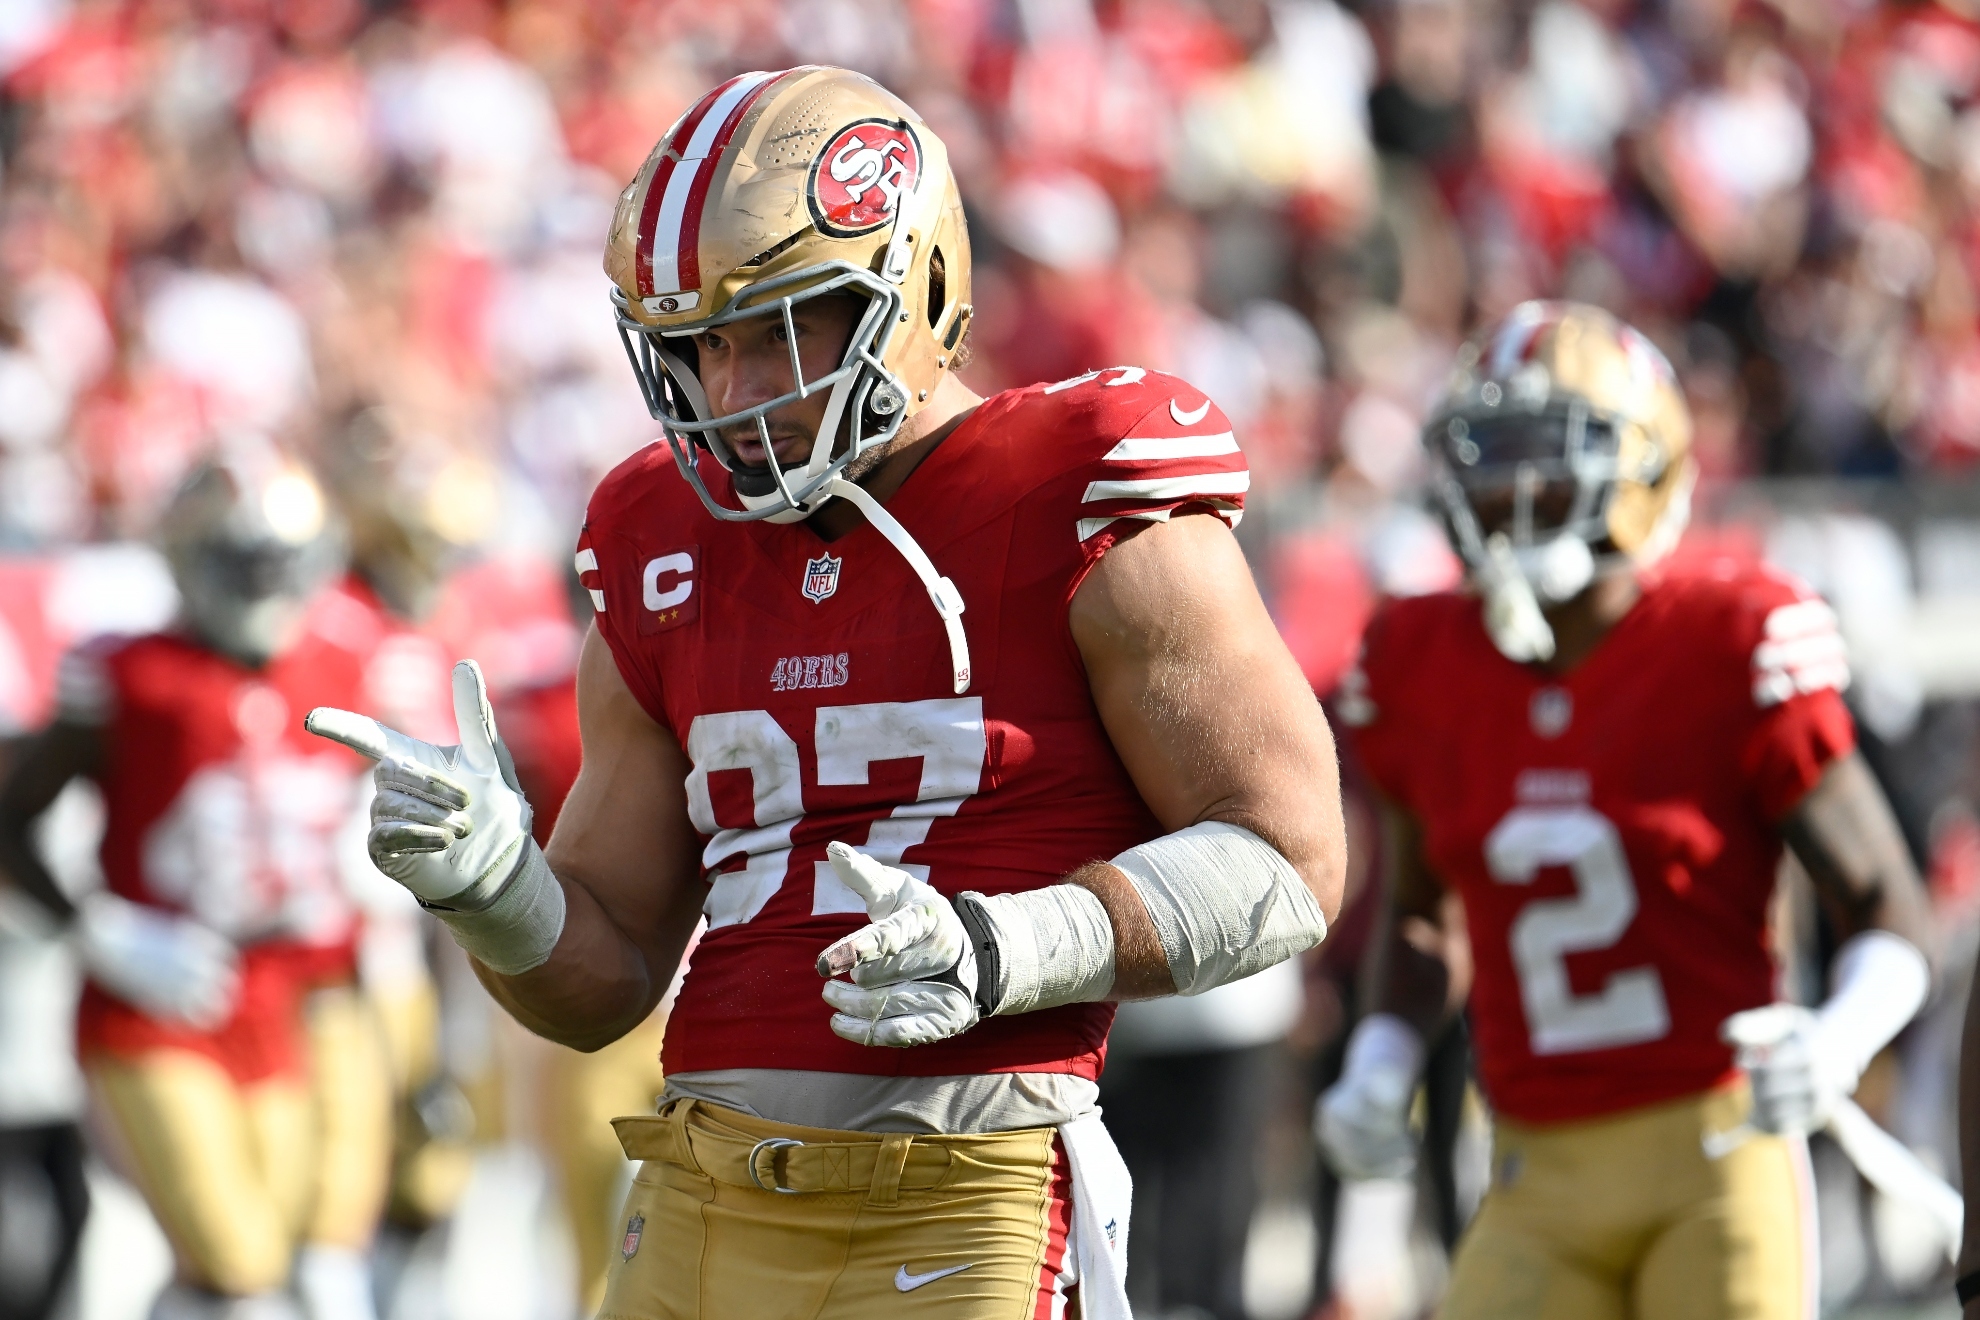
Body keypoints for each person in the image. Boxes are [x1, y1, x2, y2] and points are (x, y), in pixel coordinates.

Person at [305, 64, 1346, 1320]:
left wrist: (1007, 945)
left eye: (782, 329)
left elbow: (1290, 856)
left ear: (919, 283)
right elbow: (602, 979)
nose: (735, 396)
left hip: (964, 1191)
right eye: (697, 346)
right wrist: (495, 890)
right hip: (692, 1188)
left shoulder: (1080, 484)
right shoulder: (657, 538)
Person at [1316, 301, 1932, 1320]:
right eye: (1491, 460)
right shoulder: (1419, 659)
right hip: (1531, 1168)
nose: (1512, 493)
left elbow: (1886, 900)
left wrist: (1842, 1036)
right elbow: (1425, 908)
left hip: (1715, 1155)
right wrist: (1381, 1060)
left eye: (1547, 459)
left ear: (1644, 474)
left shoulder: (1732, 639)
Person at [0, 449, 394, 1320]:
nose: (261, 586)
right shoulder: (126, 672)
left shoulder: (342, 663)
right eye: (238, 562)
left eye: (277, 563)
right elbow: (9, 818)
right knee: (237, 1265)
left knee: (302, 1266)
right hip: (159, 999)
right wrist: (99, 929)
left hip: (292, 992)